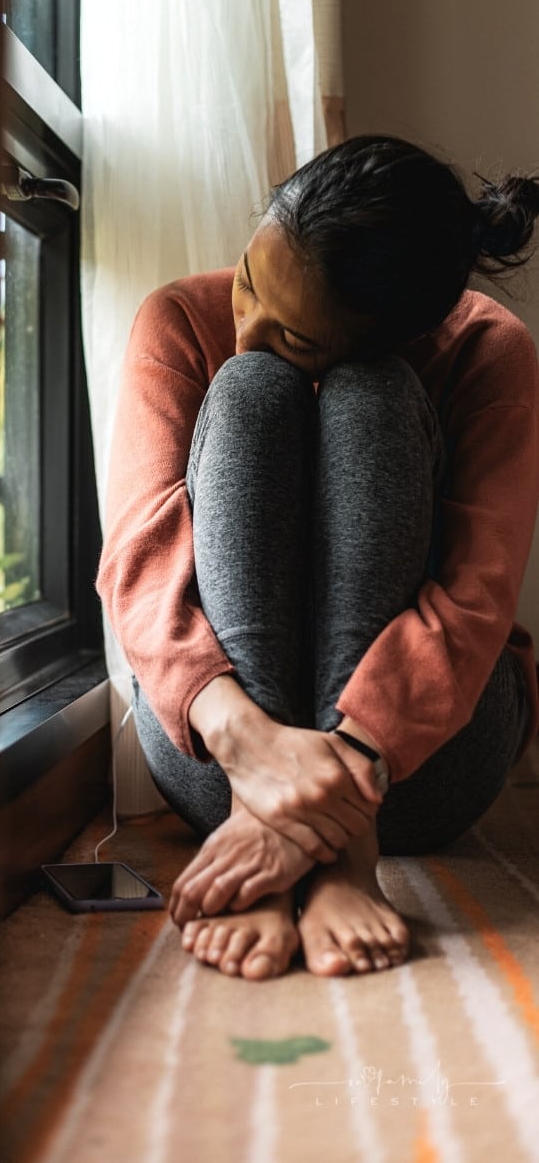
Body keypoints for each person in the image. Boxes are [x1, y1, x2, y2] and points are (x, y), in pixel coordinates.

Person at [97, 134, 539, 980]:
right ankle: (268, 814)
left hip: (424, 767)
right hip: (216, 752)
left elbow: (477, 597)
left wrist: (354, 760)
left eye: (295, 335)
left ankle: (344, 852)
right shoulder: (178, 324)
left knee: (372, 400)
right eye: (247, 282)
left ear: (412, 329)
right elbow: (139, 560)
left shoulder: (488, 351)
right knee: (248, 389)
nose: (244, 328)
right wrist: (252, 750)